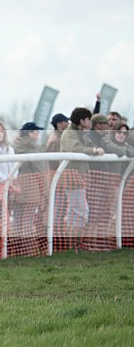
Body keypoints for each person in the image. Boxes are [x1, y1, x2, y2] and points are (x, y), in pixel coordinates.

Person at [59, 107, 104, 250]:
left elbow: (90, 146)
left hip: (78, 177)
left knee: (75, 212)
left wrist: (95, 149)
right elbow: (75, 148)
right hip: (72, 178)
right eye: (88, 120)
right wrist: (94, 151)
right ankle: (73, 245)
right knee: (80, 211)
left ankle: (73, 246)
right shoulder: (70, 133)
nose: (90, 122)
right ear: (82, 121)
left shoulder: (80, 133)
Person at [10, 122, 48, 255]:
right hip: (31, 189)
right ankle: (28, 251)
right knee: (27, 221)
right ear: (30, 133)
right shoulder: (33, 150)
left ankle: (15, 251)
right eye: (36, 131)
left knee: (17, 221)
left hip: (16, 188)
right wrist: (45, 193)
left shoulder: (14, 147)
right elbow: (41, 172)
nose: (38, 134)